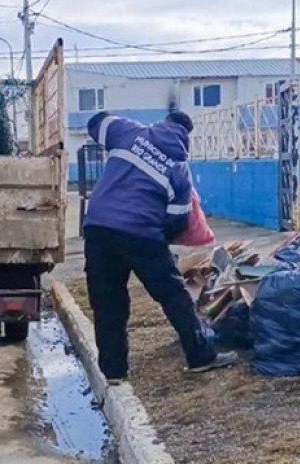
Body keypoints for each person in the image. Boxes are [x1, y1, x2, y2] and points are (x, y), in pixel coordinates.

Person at [82, 110, 238, 385]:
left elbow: (95, 122)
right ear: (186, 136)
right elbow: (177, 220)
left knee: (108, 302)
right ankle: (201, 357)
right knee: (174, 296)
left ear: (164, 123)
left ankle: (114, 372)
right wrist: (156, 241)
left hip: (99, 228)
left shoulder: (129, 131)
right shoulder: (178, 169)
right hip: (142, 234)